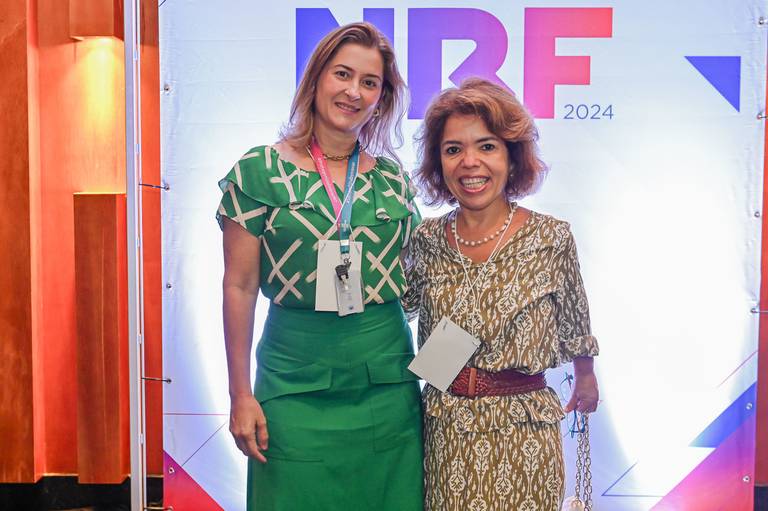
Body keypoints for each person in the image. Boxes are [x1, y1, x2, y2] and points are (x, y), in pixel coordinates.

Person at [217, 22, 422, 511]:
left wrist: (440, 374)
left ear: (381, 99)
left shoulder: (392, 179)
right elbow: (239, 287)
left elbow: (427, 284)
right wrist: (240, 394)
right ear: (316, 78)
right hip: (293, 382)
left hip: (387, 388)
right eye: (342, 74)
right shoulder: (259, 171)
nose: (354, 92)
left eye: (369, 82)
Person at [403, 77, 600, 510]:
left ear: (512, 157)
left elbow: (574, 317)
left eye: (487, 146)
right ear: (439, 163)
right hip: (445, 428)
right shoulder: (425, 239)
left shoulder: (551, 237)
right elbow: (398, 307)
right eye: (453, 149)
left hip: (525, 429)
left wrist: (585, 376)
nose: (470, 162)